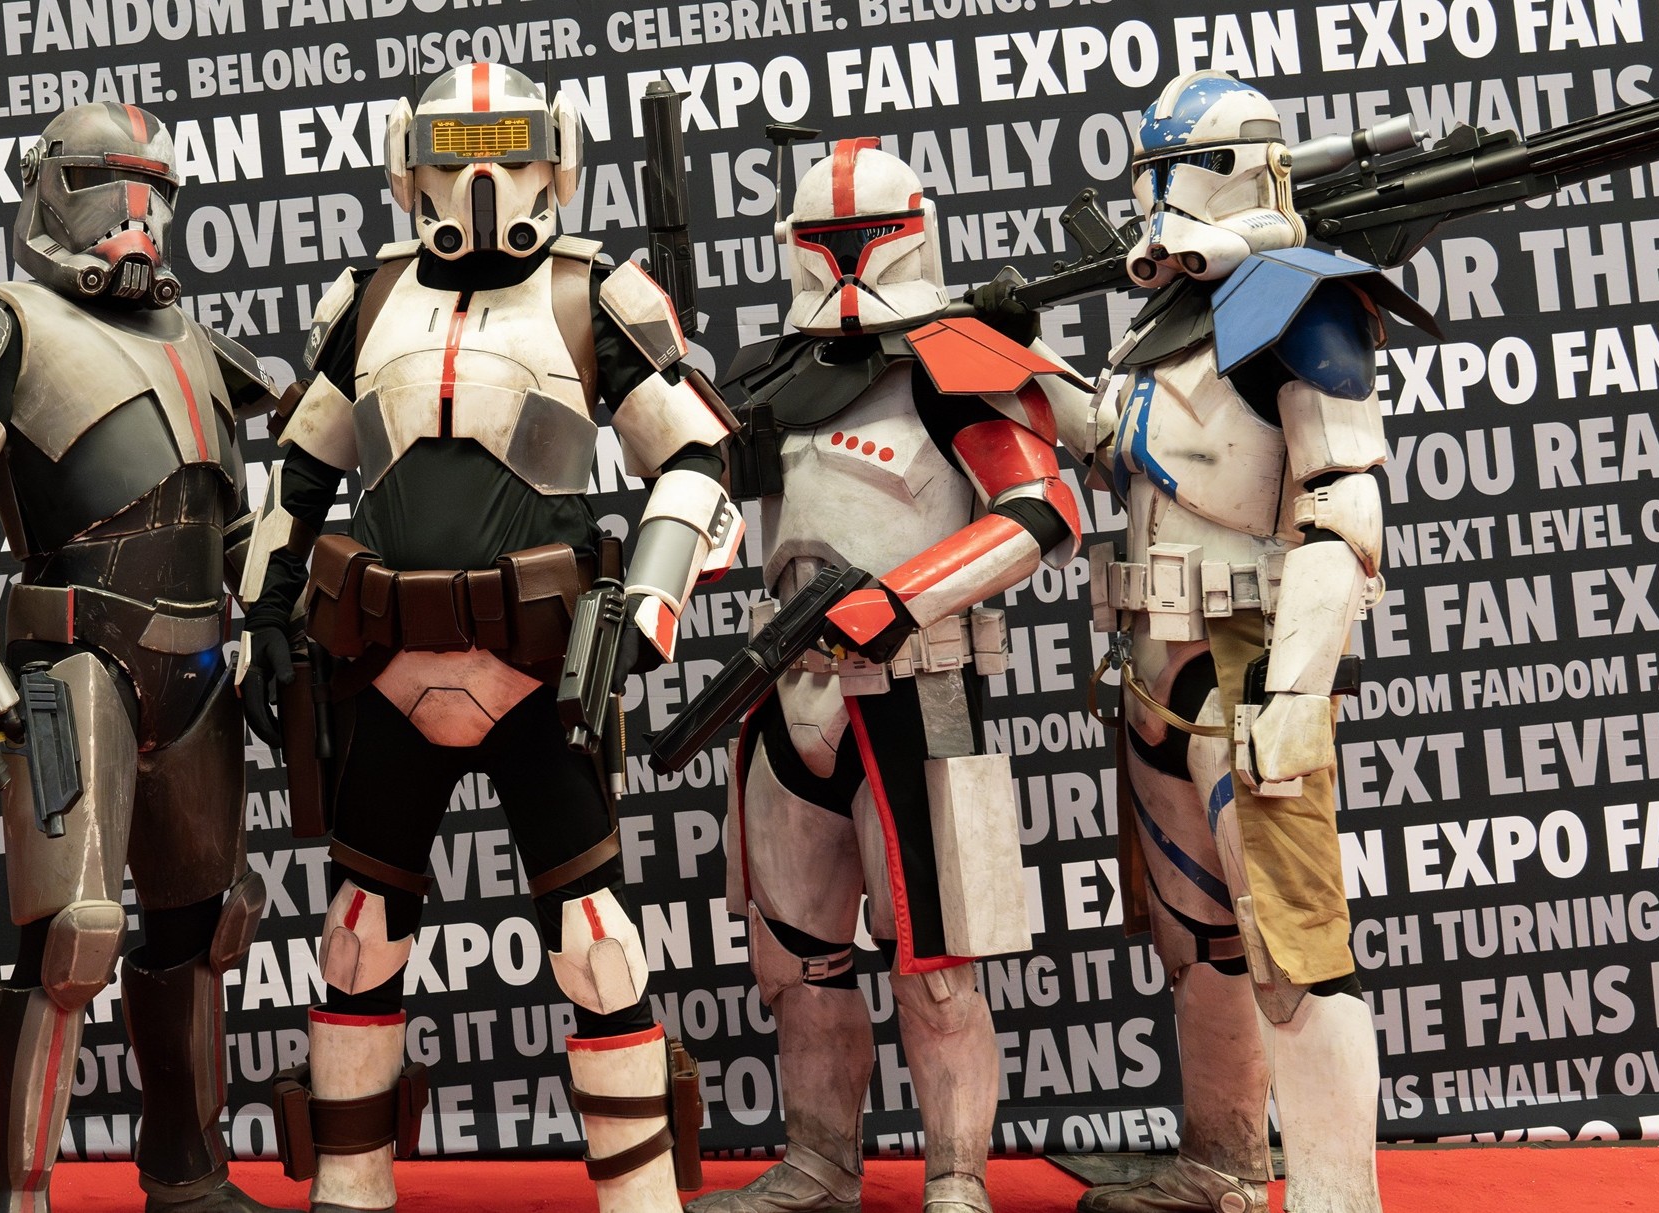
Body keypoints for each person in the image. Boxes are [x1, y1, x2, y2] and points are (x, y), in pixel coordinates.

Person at [238, 61, 740, 1213]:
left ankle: (640, 1196)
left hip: (540, 672)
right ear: (405, 160)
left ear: (554, 159)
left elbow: (694, 458)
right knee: (359, 935)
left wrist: (648, 607)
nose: (482, 178)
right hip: (384, 669)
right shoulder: (367, 299)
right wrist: (264, 612)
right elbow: (302, 472)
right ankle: (350, 1185)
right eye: (456, 151)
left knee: (594, 938)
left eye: (509, 150)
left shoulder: (591, 294)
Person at [0, 101, 282, 1213]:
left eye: (154, 189)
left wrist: (280, 621)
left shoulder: (196, 343)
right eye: (110, 182)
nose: (134, 212)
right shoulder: (13, 324)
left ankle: (188, 1170)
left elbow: (230, 521)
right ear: (54, 190)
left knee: (203, 927)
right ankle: (10, 1189)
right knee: (73, 931)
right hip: (76, 659)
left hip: (199, 669)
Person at [688, 139, 1090, 1213]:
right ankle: (820, 1162)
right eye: (827, 238)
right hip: (788, 686)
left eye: (866, 235)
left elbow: (1042, 510)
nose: (847, 258)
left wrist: (901, 597)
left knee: (939, 964)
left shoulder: (958, 361)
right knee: (795, 961)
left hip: (918, 684)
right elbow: (701, 501)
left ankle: (955, 1178)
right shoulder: (768, 370)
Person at [1065, 71, 1423, 1213]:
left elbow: (1344, 508)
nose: (1158, 196)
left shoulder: (1302, 299)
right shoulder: (1161, 322)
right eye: (1150, 174)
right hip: (1151, 665)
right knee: (1199, 941)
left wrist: (1296, 689)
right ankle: (1220, 1162)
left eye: (1177, 171)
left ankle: (1334, 1198)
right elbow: (1127, 450)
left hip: (1246, 660)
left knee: (1291, 946)